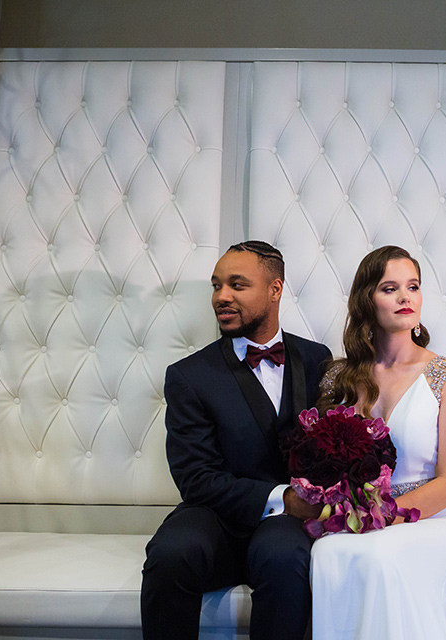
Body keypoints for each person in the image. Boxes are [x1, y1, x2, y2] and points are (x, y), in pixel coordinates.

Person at [141, 240, 332, 640]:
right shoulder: (188, 376)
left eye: (237, 285)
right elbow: (195, 479)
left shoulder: (318, 360)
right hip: (214, 517)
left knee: (284, 557)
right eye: (216, 286)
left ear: (275, 289)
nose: (221, 297)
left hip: (285, 526)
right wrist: (285, 498)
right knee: (171, 553)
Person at [311, 245, 446, 639]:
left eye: (413, 286)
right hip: (364, 522)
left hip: (441, 521)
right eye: (390, 288)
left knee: (382, 557)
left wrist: (380, 516)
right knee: (326, 553)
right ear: (367, 299)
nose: (406, 297)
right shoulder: (338, 379)